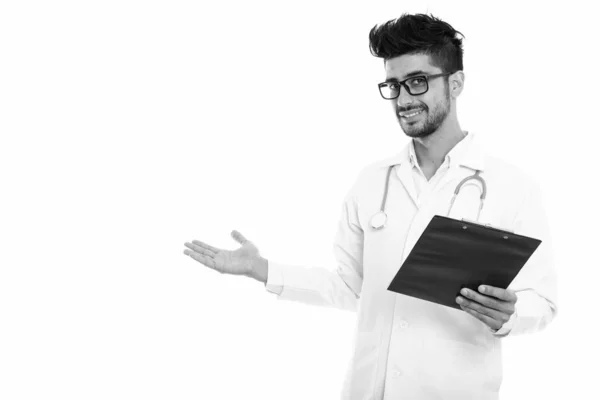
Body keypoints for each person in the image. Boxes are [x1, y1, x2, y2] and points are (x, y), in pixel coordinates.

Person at [183, 13, 558, 400]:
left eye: (418, 81)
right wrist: (260, 269)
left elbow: (543, 302)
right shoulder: (372, 181)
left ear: (456, 83)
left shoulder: (513, 188)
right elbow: (350, 287)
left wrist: (510, 315)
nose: (404, 99)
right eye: (394, 85)